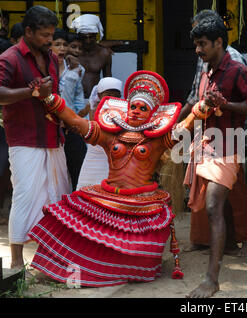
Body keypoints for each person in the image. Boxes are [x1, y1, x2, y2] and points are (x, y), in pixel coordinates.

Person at [28, 69, 216, 286]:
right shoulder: (110, 134)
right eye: (133, 106)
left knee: (143, 248)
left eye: (142, 108)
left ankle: (115, 268)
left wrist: (204, 106)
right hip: (109, 197)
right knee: (63, 220)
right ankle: (85, 268)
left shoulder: (157, 141)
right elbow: (75, 121)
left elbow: (185, 125)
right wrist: (48, 97)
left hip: (141, 202)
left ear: (152, 114)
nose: (135, 111)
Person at [185, 18, 247, 298]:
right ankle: (229, 245)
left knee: (213, 207)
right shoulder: (208, 69)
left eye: (202, 44)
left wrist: (225, 104)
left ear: (219, 42)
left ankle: (211, 279)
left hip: (228, 146)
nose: (197, 49)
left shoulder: (237, 69)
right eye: (195, 44)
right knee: (221, 204)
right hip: (207, 143)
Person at [0, 6, 72, 269]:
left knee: (57, 195)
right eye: (44, 35)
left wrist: (63, 116)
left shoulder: (51, 57)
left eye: (51, 35)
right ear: (28, 31)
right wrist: (31, 93)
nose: (49, 41)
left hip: (53, 136)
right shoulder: (9, 57)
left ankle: (51, 259)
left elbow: (52, 92)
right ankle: (17, 262)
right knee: (26, 196)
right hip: (24, 138)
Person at [51, 29, 88, 191]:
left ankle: (76, 207)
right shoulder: (43, 68)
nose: (62, 48)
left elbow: (78, 98)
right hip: (51, 127)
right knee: (55, 175)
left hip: (72, 126)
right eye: (57, 44)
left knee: (78, 169)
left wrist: (79, 116)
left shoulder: (74, 70)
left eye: (65, 44)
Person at [76, 77, 122, 190]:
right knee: (89, 183)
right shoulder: (94, 107)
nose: (112, 98)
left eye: (116, 95)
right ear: (99, 94)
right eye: (108, 94)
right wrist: (92, 107)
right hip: (94, 153)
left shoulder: (122, 110)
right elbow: (89, 123)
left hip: (113, 154)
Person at [71, 14, 112, 98]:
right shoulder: (72, 53)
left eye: (91, 37)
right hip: (72, 98)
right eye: (84, 37)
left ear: (96, 35)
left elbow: (108, 81)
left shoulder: (104, 54)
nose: (88, 41)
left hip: (94, 99)